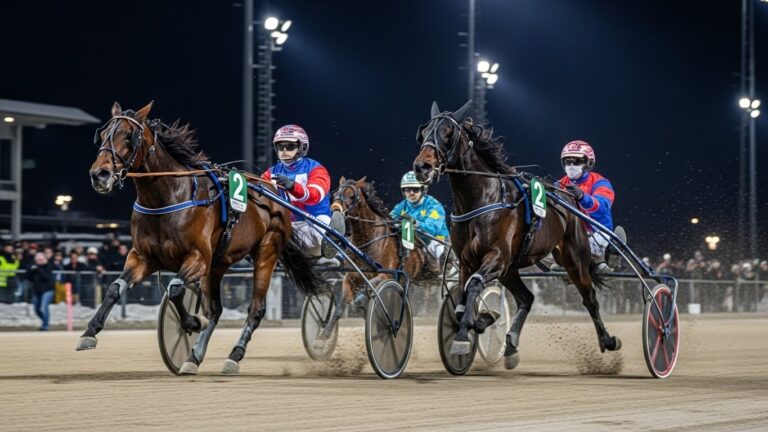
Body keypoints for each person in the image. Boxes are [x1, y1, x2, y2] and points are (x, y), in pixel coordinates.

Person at [261, 124, 342, 259]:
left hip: (315, 225)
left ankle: (329, 253)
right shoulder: (270, 173)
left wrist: (292, 186)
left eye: (290, 146)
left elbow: (314, 197)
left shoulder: (317, 169)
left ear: (302, 148)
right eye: (280, 147)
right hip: (287, 227)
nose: (284, 151)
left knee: (324, 223)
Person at [558, 140, 625, 273]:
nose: (571, 166)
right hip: (571, 235)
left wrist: (582, 197)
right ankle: (565, 262)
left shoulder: (601, 182)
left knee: (595, 256)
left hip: (597, 234)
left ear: (589, 163)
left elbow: (602, 208)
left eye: (577, 161)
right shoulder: (559, 184)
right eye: (567, 162)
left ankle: (609, 255)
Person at [390, 171, 450, 272]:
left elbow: (432, 230)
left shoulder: (434, 205)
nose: (411, 193)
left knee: (434, 247)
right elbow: (390, 218)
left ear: (423, 190)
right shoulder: (402, 205)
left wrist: (415, 223)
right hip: (414, 240)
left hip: (436, 240)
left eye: (415, 189)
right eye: (407, 190)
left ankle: (441, 272)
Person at [27, 252, 55, 331]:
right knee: (36, 309)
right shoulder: (34, 267)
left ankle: (45, 326)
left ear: (44, 259)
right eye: (37, 260)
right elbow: (29, 278)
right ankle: (45, 321)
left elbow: (47, 278)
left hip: (47, 290)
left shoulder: (48, 266)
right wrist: (31, 270)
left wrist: (38, 269)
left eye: (40, 260)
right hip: (37, 291)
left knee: (43, 308)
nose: (39, 261)